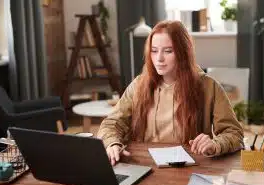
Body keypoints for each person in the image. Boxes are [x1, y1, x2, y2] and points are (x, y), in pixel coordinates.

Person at [97, 20, 244, 165]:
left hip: (189, 168)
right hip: (144, 164)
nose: (159, 58)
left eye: (168, 51)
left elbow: (234, 133)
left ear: (183, 53)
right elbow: (111, 124)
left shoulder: (209, 87)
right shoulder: (138, 85)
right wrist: (112, 144)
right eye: (154, 51)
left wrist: (215, 144)